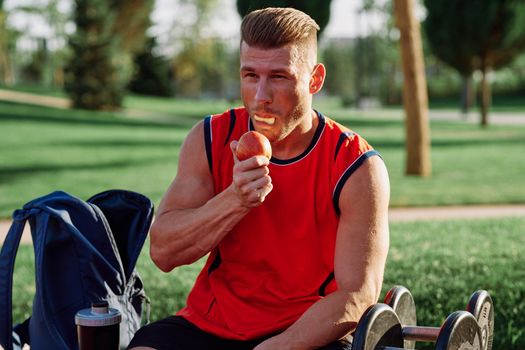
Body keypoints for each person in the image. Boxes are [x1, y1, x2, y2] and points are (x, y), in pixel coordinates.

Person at [128, 7, 390, 350]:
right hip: (213, 323)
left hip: (305, 330)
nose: (261, 96)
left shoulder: (356, 166)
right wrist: (234, 200)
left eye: (279, 77)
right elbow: (163, 252)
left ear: (315, 79)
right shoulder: (209, 139)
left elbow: (357, 296)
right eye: (250, 75)